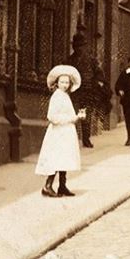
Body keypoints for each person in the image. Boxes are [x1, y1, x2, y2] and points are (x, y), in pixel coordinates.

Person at [35, 65, 86, 197]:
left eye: (67, 82)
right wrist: (73, 118)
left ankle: (62, 186)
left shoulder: (64, 96)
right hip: (58, 133)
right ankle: (47, 186)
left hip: (66, 132)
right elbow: (52, 117)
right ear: (57, 83)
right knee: (56, 158)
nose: (64, 84)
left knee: (64, 158)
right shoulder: (57, 96)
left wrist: (77, 117)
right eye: (62, 82)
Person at [69, 28, 110, 148]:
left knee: (85, 115)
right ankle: (76, 138)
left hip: (87, 91)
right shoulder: (69, 60)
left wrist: (97, 83)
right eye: (77, 46)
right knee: (75, 114)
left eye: (81, 46)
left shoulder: (91, 60)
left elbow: (99, 73)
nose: (79, 49)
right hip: (75, 91)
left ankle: (86, 139)